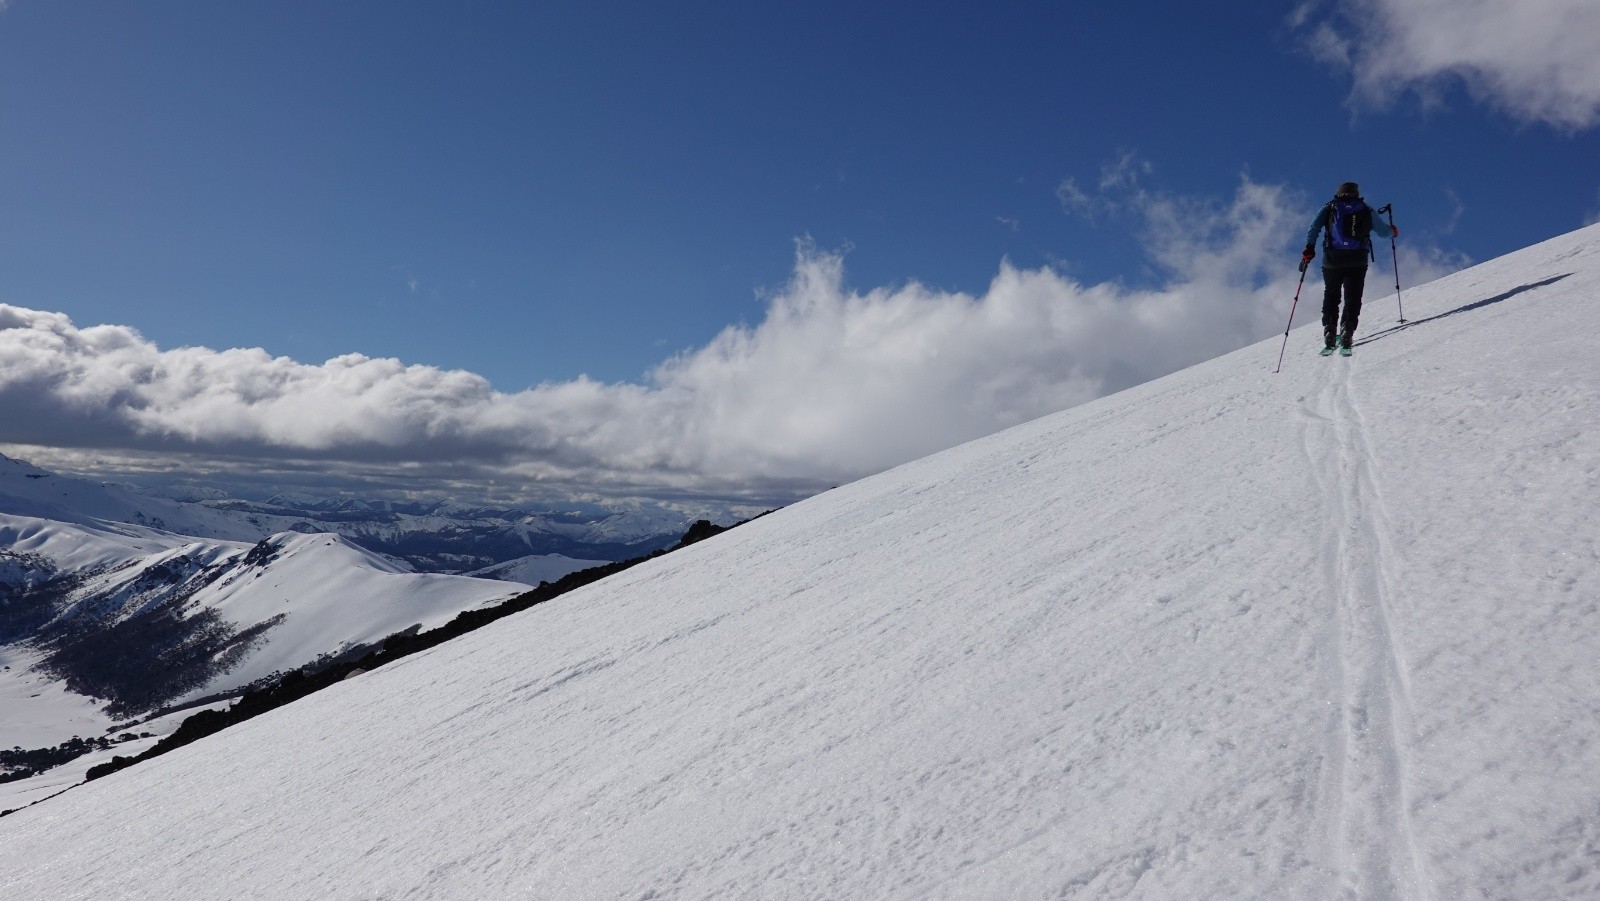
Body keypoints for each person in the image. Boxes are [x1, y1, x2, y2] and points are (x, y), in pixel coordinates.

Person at [1302, 182, 1397, 353]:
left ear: (1339, 193)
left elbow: (1314, 228)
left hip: (1332, 260)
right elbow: (1384, 233)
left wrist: (1309, 249)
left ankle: (1330, 329)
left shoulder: (1330, 207)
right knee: (1353, 296)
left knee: (1331, 294)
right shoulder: (1365, 209)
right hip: (1357, 260)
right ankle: (1348, 328)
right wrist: (1393, 231)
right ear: (1356, 193)